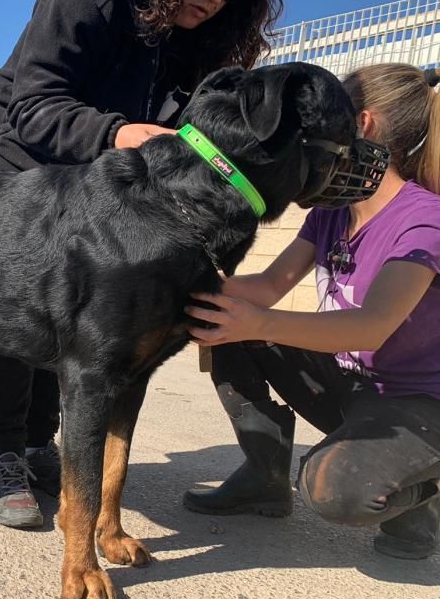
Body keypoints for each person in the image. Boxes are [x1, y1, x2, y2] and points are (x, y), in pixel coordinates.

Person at [0, 0, 283, 527]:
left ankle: (43, 446)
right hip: (22, 159)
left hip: (104, 174)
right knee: (16, 314)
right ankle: (7, 454)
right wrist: (119, 134)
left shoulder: (201, 37)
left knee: (77, 320)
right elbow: (34, 105)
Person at [183, 64, 440, 559]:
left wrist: (257, 321)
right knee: (223, 318)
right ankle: (264, 476)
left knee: (335, 491)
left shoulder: (424, 218)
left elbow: (373, 325)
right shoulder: (331, 212)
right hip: (352, 385)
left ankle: (422, 496)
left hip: (417, 403)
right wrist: (182, 286)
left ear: (359, 125)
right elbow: (269, 285)